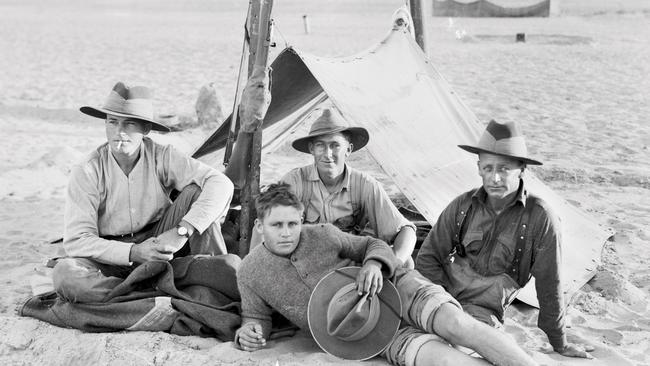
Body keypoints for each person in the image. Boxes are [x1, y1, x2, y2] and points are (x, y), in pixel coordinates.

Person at [234, 183, 538, 366]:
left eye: (293, 224)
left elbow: (372, 244)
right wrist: (249, 332)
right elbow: (255, 317)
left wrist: (373, 264)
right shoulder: (250, 272)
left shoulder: (323, 233)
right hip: (362, 333)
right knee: (441, 360)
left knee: (457, 324)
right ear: (260, 226)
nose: (287, 233)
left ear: (301, 220)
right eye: (277, 226)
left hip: (395, 286)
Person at [415, 120, 594, 359]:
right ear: (478, 168)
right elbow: (428, 258)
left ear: (522, 169)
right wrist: (439, 297)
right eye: (488, 168)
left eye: (504, 169)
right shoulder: (462, 206)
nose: (495, 178)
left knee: (456, 354)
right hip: (440, 298)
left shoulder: (540, 218)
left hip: (481, 313)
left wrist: (559, 342)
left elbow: (550, 285)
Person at [52, 81, 234, 303]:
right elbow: (77, 240)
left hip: (161, 241)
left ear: (146, 129)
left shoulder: (162, 155)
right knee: (65, 274)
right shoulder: (87, 170)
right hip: (110, 257)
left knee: (199, 191)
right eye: (112, 122)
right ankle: (149, 291)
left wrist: (181, 232)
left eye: (129, 124)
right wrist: (133, 252)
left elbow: (221, 183)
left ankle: (197, 274)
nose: (119, 132)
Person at [279, 108, 416, 267]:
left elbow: (406, 231)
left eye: (335, 145)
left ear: (348, 150)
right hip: (305, 263)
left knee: (407, 263)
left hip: (349, 263)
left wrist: (394, 262)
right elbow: (268, 227)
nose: (327, 154)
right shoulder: (295, 182)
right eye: (320, 145)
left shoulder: (364, 184)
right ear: (311, 149)